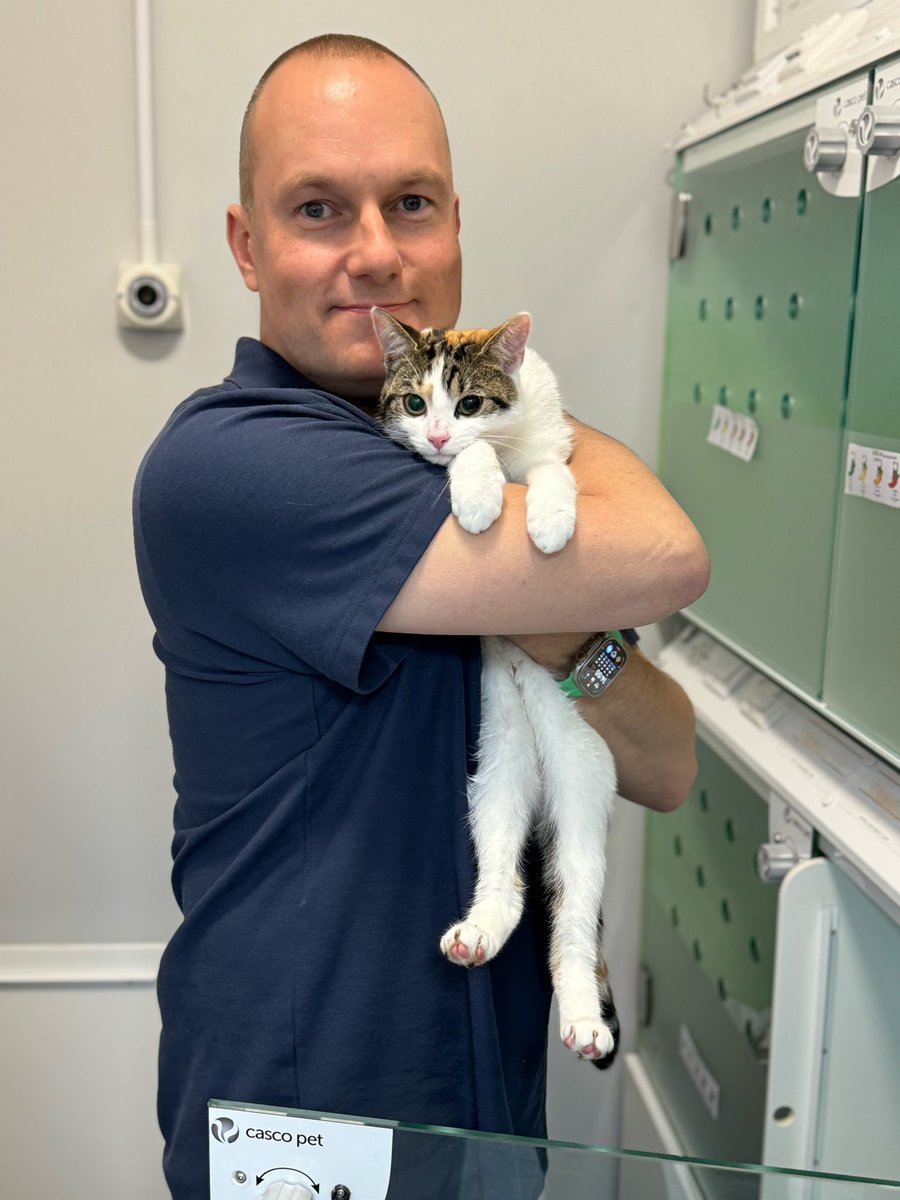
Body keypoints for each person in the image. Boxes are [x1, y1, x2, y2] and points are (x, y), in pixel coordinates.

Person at [133, 33, 709, 1200]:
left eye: (412, 204)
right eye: (316, 209)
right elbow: (664, 551)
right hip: (311, 1112)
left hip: (485, 1103)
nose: (377, 253)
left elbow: (666, 761)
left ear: (456, 227)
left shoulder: (454, 478)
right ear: (246, 248)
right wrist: (524, 421)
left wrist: (560, 612)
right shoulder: (233, 466)